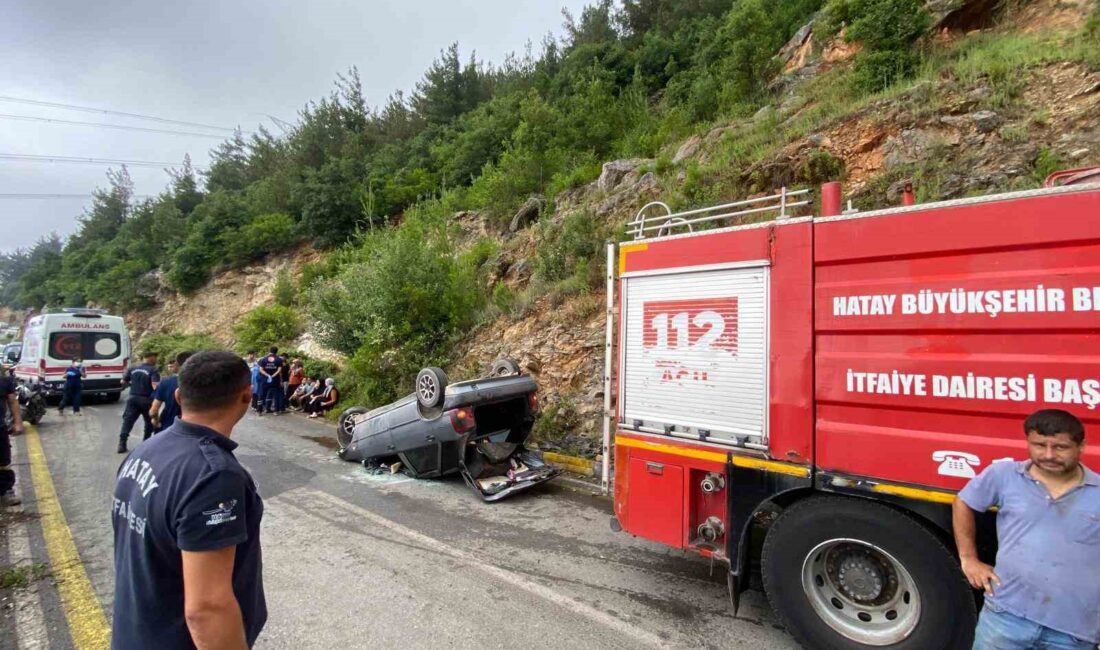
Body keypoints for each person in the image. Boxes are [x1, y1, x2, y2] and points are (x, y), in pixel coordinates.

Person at [111, 350, 266, 649]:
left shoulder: (146, 451)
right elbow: (207, 608)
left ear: (179, 397)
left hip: (136, 633)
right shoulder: (213, 476)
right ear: (246, 396)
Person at [953, 409, 1099, 649]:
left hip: (1073, 632)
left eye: (1060, 447)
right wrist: (969, 558)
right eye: (1040, 445)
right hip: (1005, 618)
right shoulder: (1003, 475)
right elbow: (964, 502)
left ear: (1081, 446)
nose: (1049, 454)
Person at [118, 352, 160, 453]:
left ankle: (122, 444)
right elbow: (155, 386)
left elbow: (123, 381)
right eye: (155, 357)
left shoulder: (132, 368)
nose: (156, 360)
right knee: (149, 423)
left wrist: (131, 385)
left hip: (133, 398)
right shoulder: (153, 370)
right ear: (150, 357)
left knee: (128, 421)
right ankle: (145, 444)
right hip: (147, 400)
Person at [150, 351, 193, 433]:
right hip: (194, 431)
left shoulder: (166, 383)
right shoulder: (204, 384)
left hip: (168, 427)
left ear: (178, 364)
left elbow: (153, 411)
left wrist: (156, 421)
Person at [1, 370, 24, 507]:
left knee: (3, 461)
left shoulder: (4, 380)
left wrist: (17, 423)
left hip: (0, 426)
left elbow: (13, 401)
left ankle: (6, 491)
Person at [256, 347, 285, 415]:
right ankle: (276, 411)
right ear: (276, 352)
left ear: (269, 351)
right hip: (275, 380)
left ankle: (259, 411)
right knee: (276, 395)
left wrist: (267, 375)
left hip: (265, 380)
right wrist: (273, 376)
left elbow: (261, 369)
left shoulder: (264, 359)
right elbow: (279, 370)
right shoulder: (279, 360)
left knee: (262, 394)